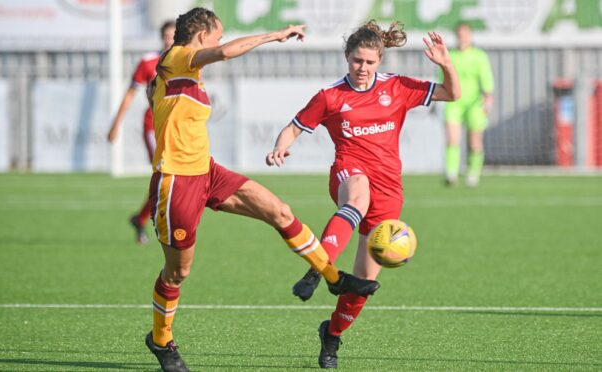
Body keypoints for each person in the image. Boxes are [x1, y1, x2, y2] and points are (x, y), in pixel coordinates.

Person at [144, 8, 380, 372]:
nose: (220, 41)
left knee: (279, 211)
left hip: (207, 171)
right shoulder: (178, 58)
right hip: (176, 182)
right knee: (178, 273)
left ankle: (334, 278)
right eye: (218, 34)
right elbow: (224, 53)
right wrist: (275, 35)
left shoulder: (184, 72)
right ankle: (160, 340)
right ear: (203, 35)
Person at [266, 21, 460, 368]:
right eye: (357, 61)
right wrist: (279, 148)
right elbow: (294, 127)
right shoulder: (330, 96)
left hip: (389, 189)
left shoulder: (397, 88)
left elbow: (452, 93)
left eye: (369, 62)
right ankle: (317, 271)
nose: (362, 68)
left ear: (380, 61)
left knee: (364, 282)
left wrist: (445, 63)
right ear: (347, 57)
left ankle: (332, 335)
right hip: (349, 171)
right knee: (357, 196)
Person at [107, 20, 176, 244]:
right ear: (161, 37)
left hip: (178, 127)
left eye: (174, 35)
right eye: (167, 35)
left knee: (172, 176)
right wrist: (116, 124)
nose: (170, 39)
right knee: (165, 173)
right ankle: (159, 223)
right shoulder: (148, 62)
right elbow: (130, 94)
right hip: (153, 125)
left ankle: (141, 219)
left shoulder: (186, 60)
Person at [442, 22, 494, 187]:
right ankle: (451, 173)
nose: (462, 38)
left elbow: (486, 79)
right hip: (454, 102)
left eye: (465, 35)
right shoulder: (450, 56)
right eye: (459, 35)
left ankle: (473, 173)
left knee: (475, 141)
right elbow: (442, 79)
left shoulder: (479, 56)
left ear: (470, 36)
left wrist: (487, 98)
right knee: (452, 138)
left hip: (474, 103)